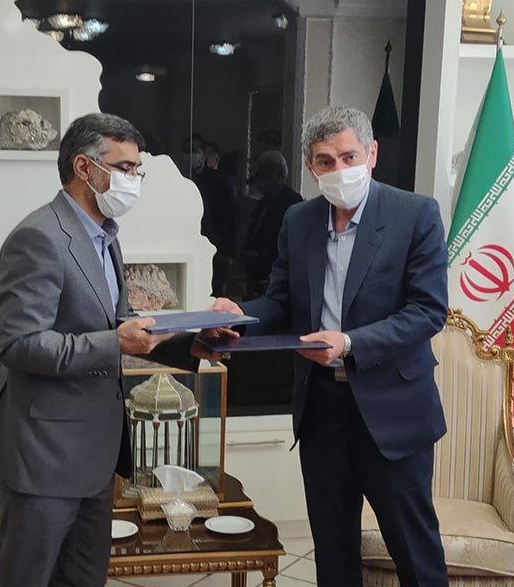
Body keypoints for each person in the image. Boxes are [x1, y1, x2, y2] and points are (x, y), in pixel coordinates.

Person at [207, 105, 449, 586]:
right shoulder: (299, 219)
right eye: (325, 160)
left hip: (392, 410)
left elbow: (428, 311)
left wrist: (350, 342)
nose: (338, 169)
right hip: (322, 409)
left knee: (415, 554)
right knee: (333, 554)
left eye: (348, 156)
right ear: (310, 167)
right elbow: (281, 301)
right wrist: (240, 316)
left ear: (372, 154)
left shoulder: (415, 214)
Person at [0, 113, 197, 587]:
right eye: (125, 168)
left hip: (95, 455)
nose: (134, 180)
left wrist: (198, 341)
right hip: (44, 457)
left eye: (138, 170)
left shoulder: (105, 236)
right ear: (84, 167)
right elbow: (18, 344)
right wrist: (116, 342)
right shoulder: (38, 237)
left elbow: (117, 325)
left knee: (83, 579)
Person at [242, 151, 302, 297]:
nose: (259, 184)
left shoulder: (293, 204)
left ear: (276, 175)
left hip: (276, 277)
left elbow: (292, 245)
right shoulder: (262, 203)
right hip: (255, 275)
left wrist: (262, 256)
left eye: (262, 177)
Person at [193, 141, 236, 296]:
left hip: (216, 242)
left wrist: (229, 251)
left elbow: (228, 217)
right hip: (202, 240)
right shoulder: (196, 180)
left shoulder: (219, 182)